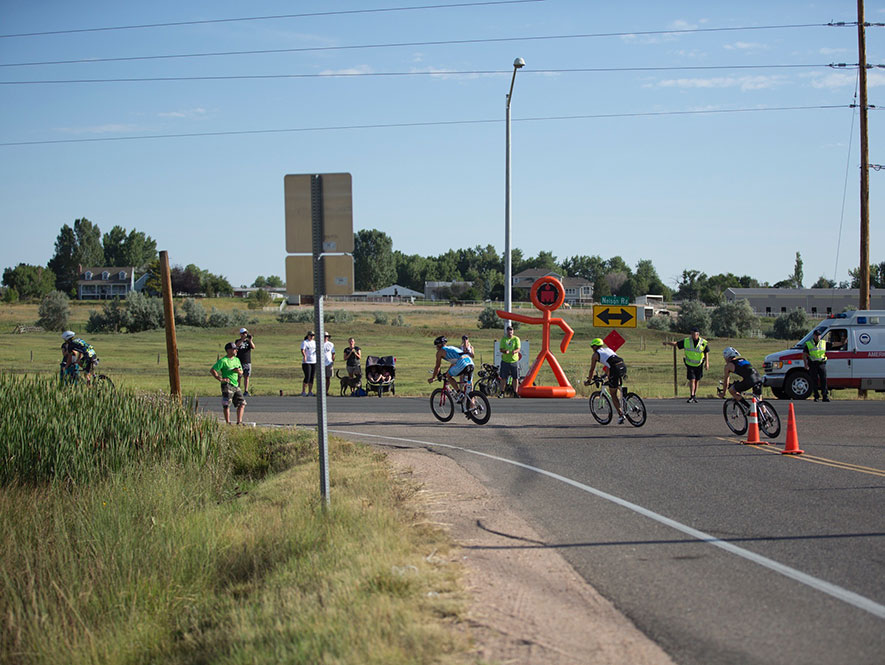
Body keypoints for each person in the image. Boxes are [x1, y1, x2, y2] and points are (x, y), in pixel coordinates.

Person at [584, 338, 627, 424]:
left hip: (615, 369)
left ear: (595, 346)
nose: (592, 349)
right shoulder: (608, 349)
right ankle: (626, 397)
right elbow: (610, 364)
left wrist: (588, 381)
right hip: (622, 365)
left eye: (592, 347)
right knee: (616, 384)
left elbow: (592, 369)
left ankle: (621, 415)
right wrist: (605, 375)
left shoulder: (595, 355)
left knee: (613, 394)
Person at [662, 327, 709, 403]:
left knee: (697, 380)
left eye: (695, 334)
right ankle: (692, 395)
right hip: (690, 364)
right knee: (692, 379)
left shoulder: (703, 342)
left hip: (699, 364)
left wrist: (707, 363)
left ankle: (695, 395)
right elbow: (677, 344)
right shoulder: (687, 341)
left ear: (698, 334)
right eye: (692, 334)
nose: (694, 336)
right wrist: (667, 343)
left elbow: (706, 352)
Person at [427, 335, 475, 402]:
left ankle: (459, 393)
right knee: (469, 388)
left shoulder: (440, 352)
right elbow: (453, 363)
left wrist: (433, 377)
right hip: (470, 363)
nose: (436, 347)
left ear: (439, 345)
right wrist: (447, 372)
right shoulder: (451, 348)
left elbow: (437, 366)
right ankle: (471, 407)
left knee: (448, 377)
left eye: (436, 345)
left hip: (462, 363)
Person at [210, 342, 246, 424]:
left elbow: (241, 372)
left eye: (236, 349)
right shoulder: (223, 360)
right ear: (228, 350)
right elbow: (213, 370)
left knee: (242, 403)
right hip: (227, 385)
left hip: (235, 384)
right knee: (227, 404)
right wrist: (220, 378)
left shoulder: (237, 360)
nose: (236, 350)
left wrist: (238, 371)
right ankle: (228, 422)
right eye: (234, 349)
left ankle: (239, 422)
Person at [803, 328, 830, 402]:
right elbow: (804, 354)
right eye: (816, 335)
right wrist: (805, 364)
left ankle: (825, 396)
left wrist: (842, 342)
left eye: (819, 335)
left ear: (820, 336)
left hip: (821, 363)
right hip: (813, 364)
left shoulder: (823, 343)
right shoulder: (809, 344)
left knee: (823, 380)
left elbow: (833, 345)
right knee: (814, 380)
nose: (817, 337)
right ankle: (816, 396)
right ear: (813, 336)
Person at [498, 325, 521, 395]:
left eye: (511, 330)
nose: (510, 332)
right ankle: (502, 392)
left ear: (513, 331)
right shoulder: (503, 339)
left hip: (514, 361)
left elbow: (518, 348)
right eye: (508, 331)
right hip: (505, 361)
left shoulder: (516, 339)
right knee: (503, 378)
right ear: (506, 332)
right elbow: (501, 349)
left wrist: (515, 351)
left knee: (515, 377)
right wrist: (505, 351)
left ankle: (515, 392)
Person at [235, 327, 255, 396]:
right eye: (243, 333)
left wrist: (250, 340)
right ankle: (238, 390)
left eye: (246, 333)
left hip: (247, 361)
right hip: (239, 361)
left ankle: (246, 391)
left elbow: (253, 347)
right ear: (240, 334)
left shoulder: (248, 342)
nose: (245, 334)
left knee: (246, 376)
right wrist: (242, 339)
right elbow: (236, 345)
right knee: (239, 376)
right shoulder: (238, 341)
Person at [300, 331, 317, 396]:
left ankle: (310, 391)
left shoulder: (314, 342)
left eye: (313, 335)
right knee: (307, 376)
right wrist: (304, 356)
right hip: (307, 362)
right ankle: (303, 391)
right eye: (311, 335)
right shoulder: (305, 342)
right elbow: (302, 350)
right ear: (308, 335)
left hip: (314, 361)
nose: (312, 337)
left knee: (312, 377)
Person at [322, 332, 336, 396]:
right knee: (321, 378)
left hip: (329, 362)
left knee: (328, 378)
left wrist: (332, 360)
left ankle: (326, 391)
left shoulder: (331, 344)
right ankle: (321, 391)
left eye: (327, 337)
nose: (325, 338)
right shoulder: (319, 343)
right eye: (324, 336)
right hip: (321, 363)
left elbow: (333, 353)